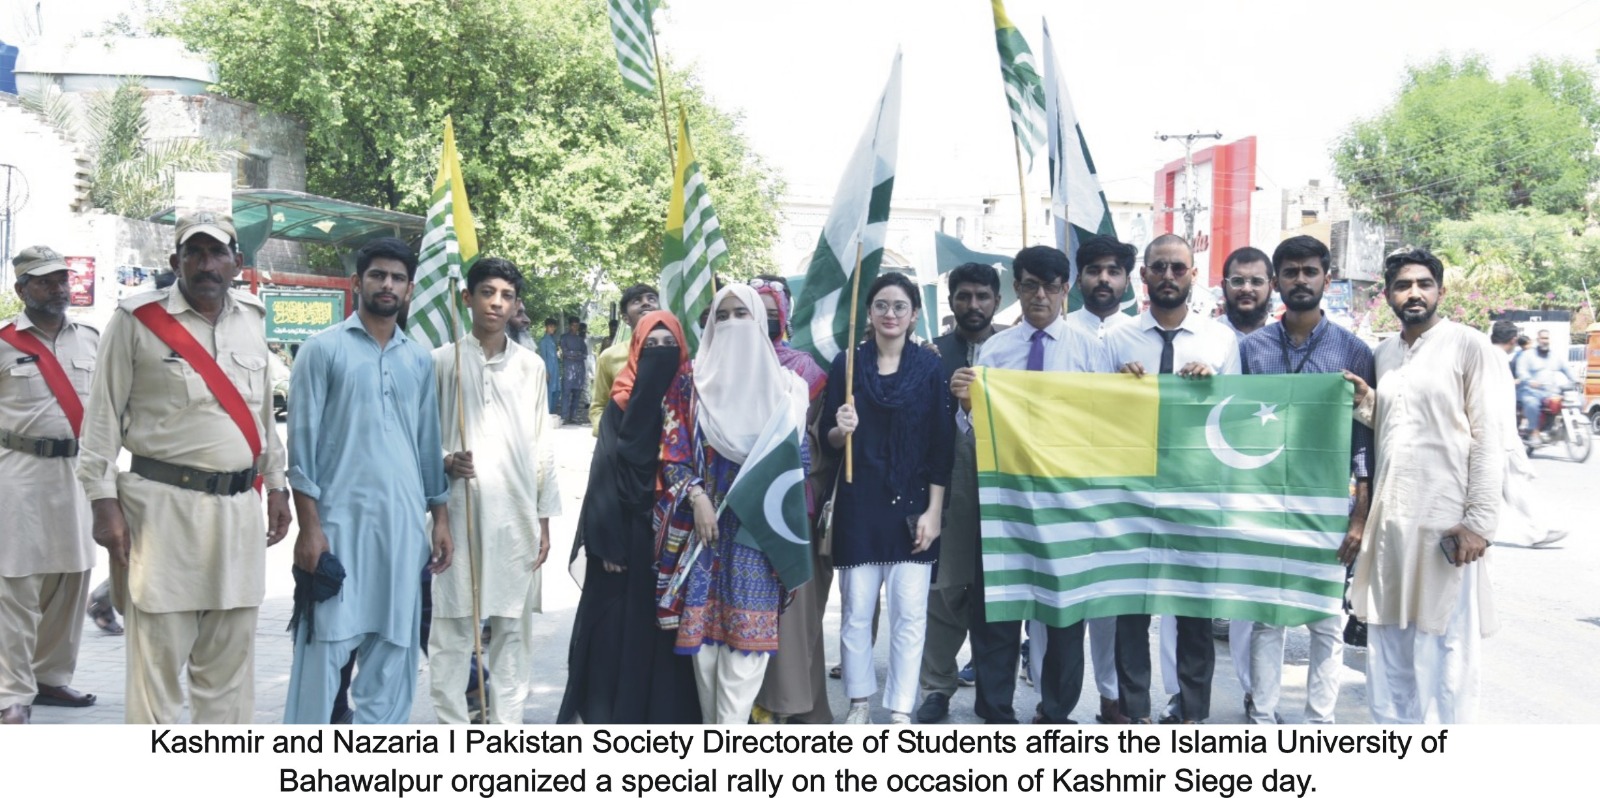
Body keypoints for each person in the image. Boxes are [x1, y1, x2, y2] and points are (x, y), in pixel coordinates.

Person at [78, 212, 292, 723]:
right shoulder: (135, 320)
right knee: (157, 665)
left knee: (229, 663)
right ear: (176, 262)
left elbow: (262, 414)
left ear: (236, 263)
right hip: (161, 511)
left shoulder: (253, 318)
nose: (205, 263)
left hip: (239, 513)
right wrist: (102, 505)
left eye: (217, 253)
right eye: (193, 253)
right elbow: (101, 422)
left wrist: (279, 486)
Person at [283, 236, 452, 724]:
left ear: (409, 289)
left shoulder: (418, 360)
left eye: (398, 278)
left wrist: (439, 518)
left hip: (401, 530)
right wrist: (309, 528)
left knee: (394, 648)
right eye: (378, 275)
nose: (388, 284)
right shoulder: (322, 350)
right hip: (339, 525)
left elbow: (426, 444)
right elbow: (303, 447)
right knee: (323, 650)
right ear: (358, 283)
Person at [1344, 247, 1506, 724]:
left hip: (1446, 525)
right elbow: (1395, 424)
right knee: (1388, 645)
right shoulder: (1385, 353)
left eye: (1423, 284)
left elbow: (1490, 438)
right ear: (1388, 295)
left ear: (1440, 290)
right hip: (1392, 524)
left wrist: (1477, 523)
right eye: (1402, 285)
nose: (1413, 293)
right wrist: (1366, 401)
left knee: (1447, 654)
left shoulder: (1469, 345)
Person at [949, 246, 1110, 724]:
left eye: (1051, 286)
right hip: (1005, 499)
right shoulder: (996, 351)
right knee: (996, 610)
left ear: (1066, 290)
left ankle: (1055, 712)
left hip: (1068, 501)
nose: (1040, 296)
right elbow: (974, 431)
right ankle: (995, 712)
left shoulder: (1090, 350)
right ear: (1016, 289)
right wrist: (964, 406)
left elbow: (1107, 424)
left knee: (1063, 615)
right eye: (1029, 285)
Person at [654, 284, 810, 724]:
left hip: (757, 535)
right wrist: (699, 498)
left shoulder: (787, 389)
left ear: (761, 322)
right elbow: (672, 453)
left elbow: (796, 463)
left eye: (744, 313)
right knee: (704, 658)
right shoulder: (690, 384)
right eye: (722, 316)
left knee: (745, 659)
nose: (732, 323)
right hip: (702, 534)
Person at [1103, 233, 1240, 725]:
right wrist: (1117, 387)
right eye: (1158, 267)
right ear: (1143, 275)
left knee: (1194, 610)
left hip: (1197, 489)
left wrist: (1213, 389)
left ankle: (1192, 714)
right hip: (1130, 489)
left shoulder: (1221, 340)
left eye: (1177, 268)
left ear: (1193, 275)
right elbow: (1093, 416)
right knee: (1131, 607)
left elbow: (1238, 415)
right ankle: (1135, 710)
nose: (1167, 276)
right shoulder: (1115, 339)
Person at [1237, 235, 1374, 725]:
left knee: (1324, 621)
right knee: (1267, 616)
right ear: (1276, 282)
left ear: (1326, 279)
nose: (1300, 280)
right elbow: (1231, 427)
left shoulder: (1354, 350)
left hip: (1328, 501)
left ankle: (1319, 722)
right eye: (1290, 272)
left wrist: (1358, 518)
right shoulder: (1251, 349)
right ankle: (1263, 717)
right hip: (1265, 499)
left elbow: (1364, 443)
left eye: (1309, 272)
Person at [429, 257, 560, 725]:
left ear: (516, 304)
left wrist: (543, 520)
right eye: (487, 292)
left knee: (511, 633)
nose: (496, 303)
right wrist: (446, 460)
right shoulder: (442, 362)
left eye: (506, 295)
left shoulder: (532, 367)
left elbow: (543, 445)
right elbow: (423, 439)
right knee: (450, 634)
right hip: (458, 517)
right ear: (468, 298)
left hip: (515, 517)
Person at [822, 272, 956, 725]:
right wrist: (842, 427)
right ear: (869, 313)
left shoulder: (929, 367)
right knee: (857, 612)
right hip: (860, 505)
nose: (890, 314)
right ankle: (859, 701)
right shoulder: (847, 364)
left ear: (915, 314)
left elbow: (942, 446)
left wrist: (934, 512)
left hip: (916, 505)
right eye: (881, 305)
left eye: (900, 306)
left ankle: (900, 706)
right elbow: (828, 441)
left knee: (910, 615)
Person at [558, 310, 699, 724]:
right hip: (625, 537)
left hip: (678, 539)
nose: (659, 354)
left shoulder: (694, 400)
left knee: (670, 636)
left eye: (668, 346)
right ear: (635, 349)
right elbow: (603, 473)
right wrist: (604, 542)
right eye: (650, 345)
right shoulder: (621, 402)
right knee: (617, 634)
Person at [0, 246, 101, 724]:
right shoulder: (3, 343)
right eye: (45, 281)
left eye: (62, 278)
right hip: (19, 471)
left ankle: (51, 678)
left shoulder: (93, 340)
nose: (59, 287)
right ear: (22, 290)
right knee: (16, 584)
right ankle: (10, 691)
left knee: (72, 577)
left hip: (78, 473)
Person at [915, 262, 1001, 723]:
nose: (974, 305)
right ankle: (937, 688)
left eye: (982, 296)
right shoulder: (932, 354)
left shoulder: (1012, 349)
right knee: (944, 592)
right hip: (947, 489)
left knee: (997, 591)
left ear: (997, 301)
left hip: (1006, 488)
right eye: (964, 296)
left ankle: (994, 685)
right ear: (950, 302)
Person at [749, 275, 834, 725]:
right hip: (733, 513)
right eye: (749, 314)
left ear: (784, 317)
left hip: (791, 513)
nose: (760, 324)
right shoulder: (721, 366)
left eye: (769, 315)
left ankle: (789, 709)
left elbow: (821, 447)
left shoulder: (806, 371)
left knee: (792, 620)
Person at [1058, 235, 1135, 723]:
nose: (1103, 279)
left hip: (1120, 487)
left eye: (1113, 271)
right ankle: (1054, 699)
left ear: (1127, 279)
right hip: (1059, 485)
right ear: (1077, 278)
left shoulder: (1141, 335)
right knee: (1055, 600)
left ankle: (1112, 697)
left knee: (1109, 602)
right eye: (1093, 270)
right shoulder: (1058, 332)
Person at [1488, 322, 1566, 549]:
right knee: (1513, 483)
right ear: (1513, 340)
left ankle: (1538, 529)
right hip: (1498, 434)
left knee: (1513, 483)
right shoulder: (1497, 360)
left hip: (1498, 433)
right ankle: (1538, 530)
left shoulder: (1490, 357)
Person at [590, 284, 660, 435]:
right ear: (625, 318)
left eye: (651, 299)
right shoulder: (610, 357)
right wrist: (610, 434)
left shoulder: (675, 352)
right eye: (637, 301)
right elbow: (598, 407)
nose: (646, 303)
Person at [1514, 329, 1568, 442]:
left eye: (1547, 338)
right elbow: (1521, 371)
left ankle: (1554, 428)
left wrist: (1575, 379)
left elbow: (1565, 368)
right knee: (1532, 403)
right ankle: (1534, 432)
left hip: (1549, 391)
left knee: (1564, 401)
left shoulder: (1553, 356)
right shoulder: (1527, 355)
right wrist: (1529, 381)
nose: (1545, 341)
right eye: (1542, 338)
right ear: (1537, 340)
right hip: (1530, 391)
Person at [1218, 247, 1274, 337]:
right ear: (1224, 286)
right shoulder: (1207, 336)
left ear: (1270, 287)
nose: (1246, 289)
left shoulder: (1283, 337)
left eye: (1256, 281)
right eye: (1237, 281)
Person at [559, 318, 588, 425]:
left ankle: (573, 417)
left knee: (577, 395)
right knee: (566, 393)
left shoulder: (580, 339)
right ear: (569, 326)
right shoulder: (564, 338)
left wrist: (573, 354)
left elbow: (585, 354)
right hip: (568, 370)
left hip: (579, 370)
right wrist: (577, 354)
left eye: (576, 325)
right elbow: (565, 353)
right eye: (573, 325)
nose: (574, 327)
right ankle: (564, 416)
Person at [538, 318, 562, 414]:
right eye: (550, 326)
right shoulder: (544, 341)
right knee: (549, 391)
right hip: (548, 369)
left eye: (554, 327)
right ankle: (547, 413)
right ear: (546, 327)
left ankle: (552, 412)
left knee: (557, 391)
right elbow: (543, 357)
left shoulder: (553, 340)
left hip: (555, 369)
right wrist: (546, 371)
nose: (553, 329)